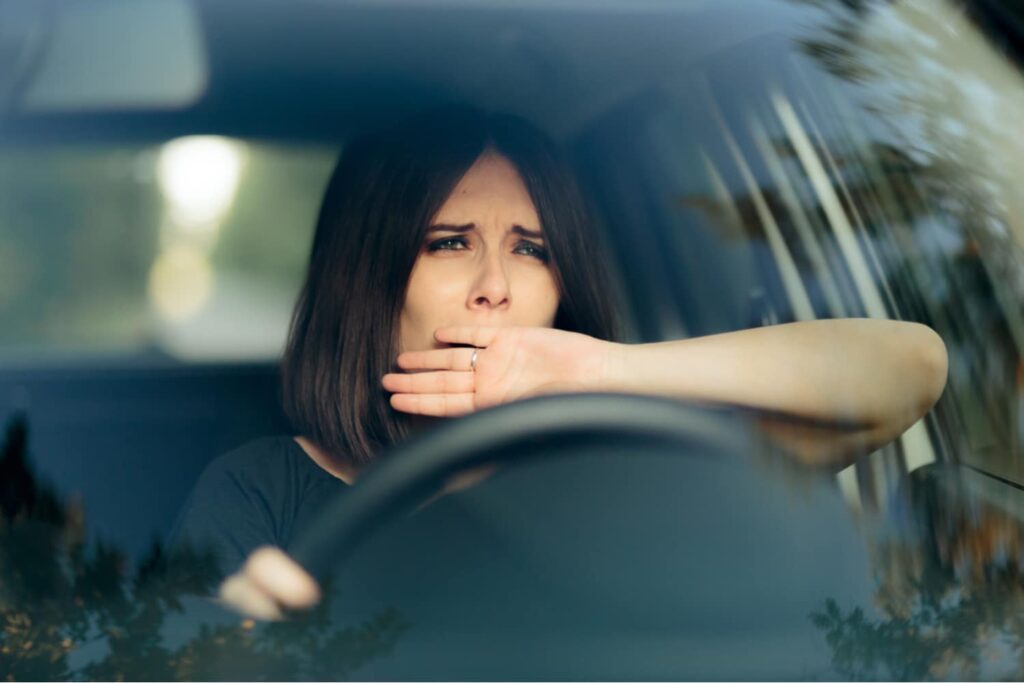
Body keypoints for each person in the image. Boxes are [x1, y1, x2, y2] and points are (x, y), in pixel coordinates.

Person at [170, 105, 948, 620]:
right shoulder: (255, 493)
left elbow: (911, 367)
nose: (495, 289)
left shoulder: (635, 472)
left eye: (532, 250)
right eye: (450, 242)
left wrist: (596, 371)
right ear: (367, 277)